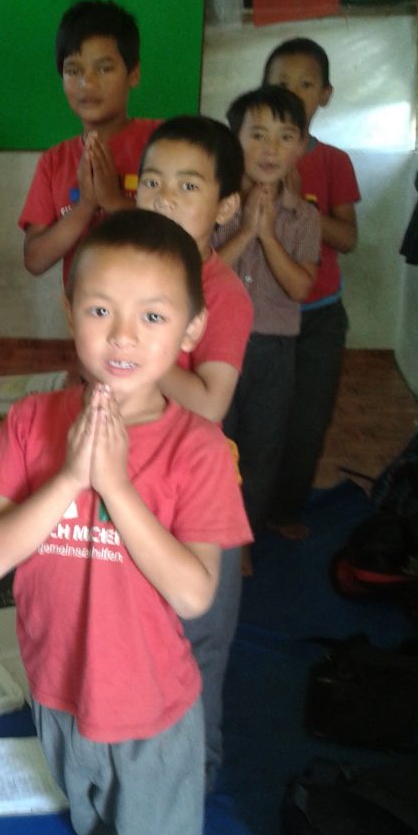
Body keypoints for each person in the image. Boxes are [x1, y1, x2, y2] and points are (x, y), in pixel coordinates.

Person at [0, 211, 251, 835]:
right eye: (100, 310)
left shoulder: (198, 450)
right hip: (58, 698)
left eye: (153, 316)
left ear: (190, 330)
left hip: (151, 717)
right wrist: (69, 477)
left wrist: (117, 487)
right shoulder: (33, 422)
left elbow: (194, 593)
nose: (123, 336)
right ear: (69, 311)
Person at [136, 115, 253, 788]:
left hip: (196, 494)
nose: (163, 198)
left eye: (187, 186)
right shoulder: (129, 270)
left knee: (198, 637)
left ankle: (197, 775)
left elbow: (210, 402)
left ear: (226, 206)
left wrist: (138, 355)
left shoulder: (221, 291)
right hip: (131, 481)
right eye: (151, 181)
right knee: (138, 627)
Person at [216, 86, 321, 567]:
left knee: (262, 449)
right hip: (217, 347)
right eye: (257, 135)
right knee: (215, 442)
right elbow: (201, 274)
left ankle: (243, 537)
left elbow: (300, 287)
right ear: (234, 141)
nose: (271, 149)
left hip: (273, 353)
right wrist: (245, 232)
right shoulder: (216, 205)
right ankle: (211, 531)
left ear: (301, 146)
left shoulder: (305, 217)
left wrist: (268, 236)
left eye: (285, 137)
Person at [262, 38, 361, 538]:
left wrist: (300, 208)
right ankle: (243, 516)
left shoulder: (335, 161)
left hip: (320, 315)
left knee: (307, 421)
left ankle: (286, 510)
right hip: (262, 314)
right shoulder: (249, 158)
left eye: (305, 84)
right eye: (282, 82)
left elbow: (348, 238)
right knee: (257, 420)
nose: (293, 92)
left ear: (325, 94)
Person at [20, 0, 161, 284]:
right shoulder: (54, 162)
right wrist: (85, 205)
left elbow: (183, 233)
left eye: (104, 68)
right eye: (74, 71)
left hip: (154, 304)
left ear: (133, 73)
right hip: (87, 308)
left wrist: (114, 201)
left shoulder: (164, 142)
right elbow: (34, 259)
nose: (88, 83)